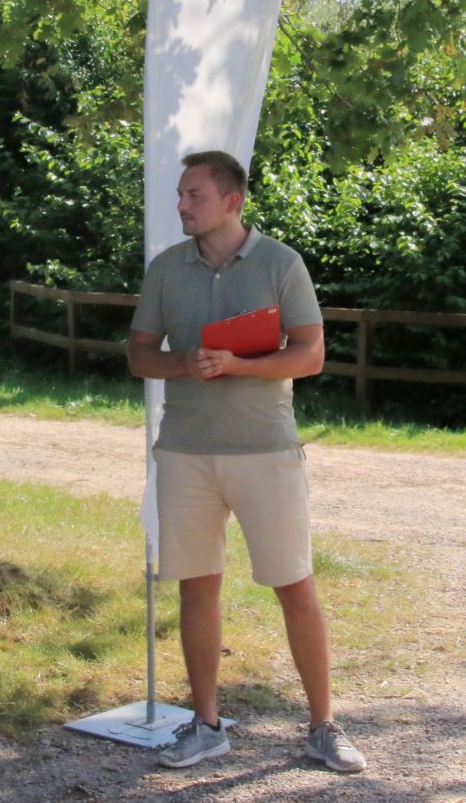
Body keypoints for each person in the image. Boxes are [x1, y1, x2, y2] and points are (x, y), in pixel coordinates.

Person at [127, 151, 365, 774]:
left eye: (194, 195)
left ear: (231, 202)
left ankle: (323, 725)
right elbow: (139, 356)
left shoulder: (281, 263)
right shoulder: (165, 269)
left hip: (266, 452)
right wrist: (185, 363)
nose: (181, 204)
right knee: (197, 588)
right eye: (180, 194)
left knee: (294, 585)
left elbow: (309, 355)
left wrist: (239, 366)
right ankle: (204, 726)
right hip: (183, 451)